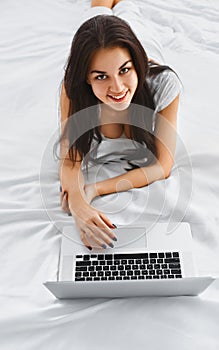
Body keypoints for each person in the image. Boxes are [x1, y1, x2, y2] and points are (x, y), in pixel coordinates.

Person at [57, 0, 181, 250]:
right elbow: (70, 159)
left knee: (127, 8)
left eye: (125, 71)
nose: (118, 88)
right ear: (86, 79)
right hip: (101, 41)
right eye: (101, 76)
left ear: (135, 64)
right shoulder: (73, 90)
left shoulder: (164, 84)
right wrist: (79, 205)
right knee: (99, 10)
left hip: (141, 41)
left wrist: (94, 189)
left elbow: (163, 165)